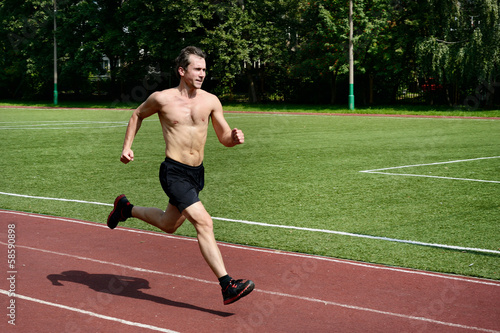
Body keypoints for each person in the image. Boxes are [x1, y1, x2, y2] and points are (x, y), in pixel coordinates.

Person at [107, 46, 254, 305]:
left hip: (196, 174)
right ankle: (227, 285)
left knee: (168, 224)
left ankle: (125, 208)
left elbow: (223, 137)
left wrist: (233, 138)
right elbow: (137, 114)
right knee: (204, 222)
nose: (202, 74)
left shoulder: (210, 101)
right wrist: (126, 147)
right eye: (197, 69)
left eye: (205, 69)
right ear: (182, 70)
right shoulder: (162, 99)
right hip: (173, 172)